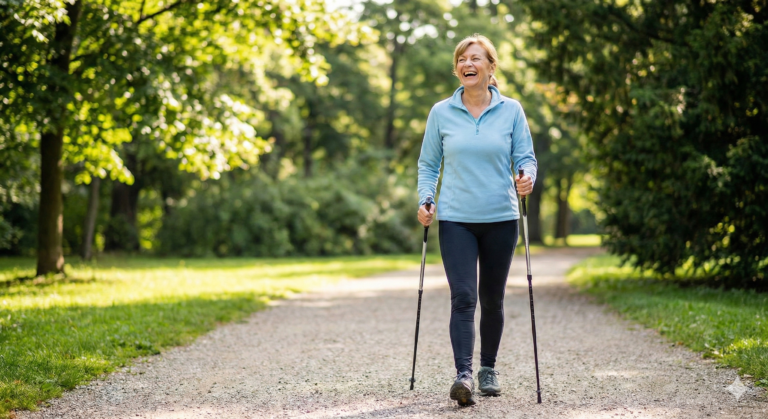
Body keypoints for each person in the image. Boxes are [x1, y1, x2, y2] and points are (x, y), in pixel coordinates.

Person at [416, 33, 537, 407]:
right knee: (464, 296)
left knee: (493, 299)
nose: (468, 64)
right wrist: (425, 198)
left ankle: (488, 368)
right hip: (456, 220)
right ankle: (463, 375)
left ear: (490, 67)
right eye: (463, 59)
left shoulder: (511, 110)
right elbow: (428, 164)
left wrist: (526, 175)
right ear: (457, 69)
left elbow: (525, 157)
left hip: (501, 217)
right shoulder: (441, 113)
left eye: (476, 58)